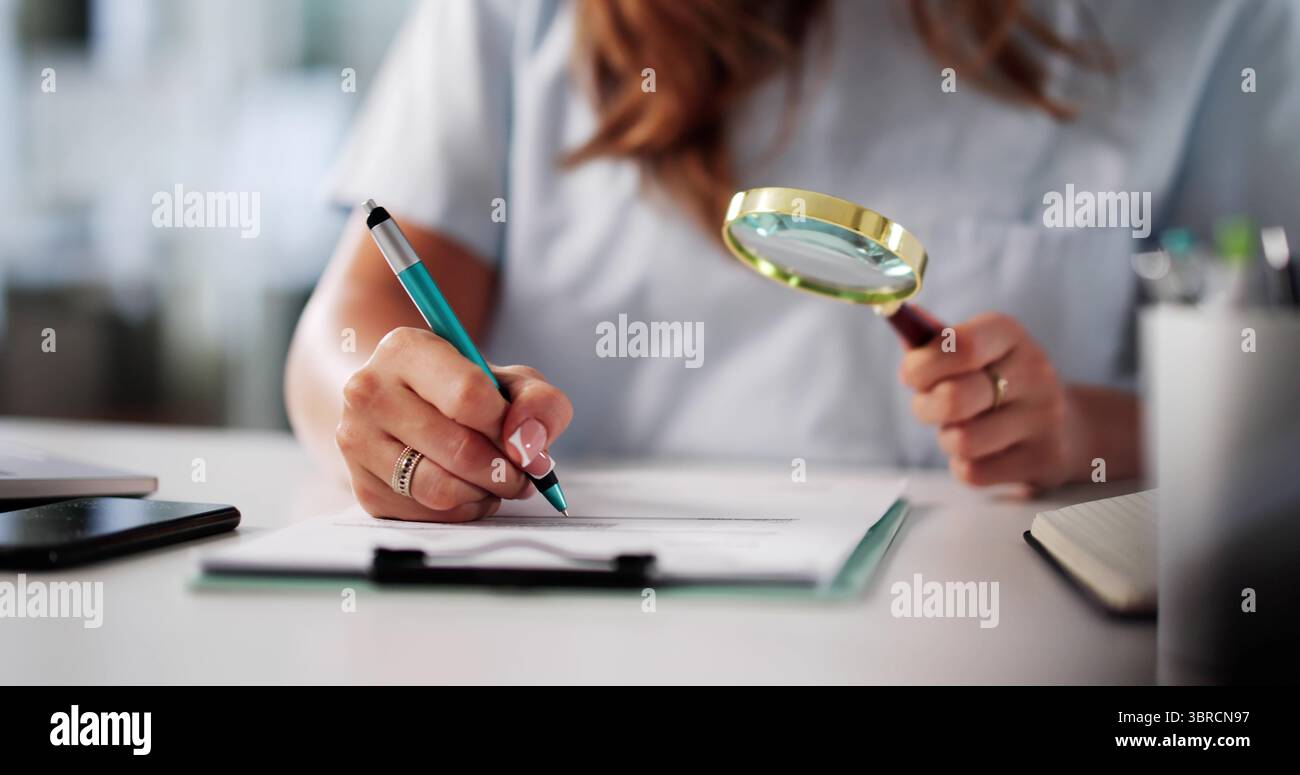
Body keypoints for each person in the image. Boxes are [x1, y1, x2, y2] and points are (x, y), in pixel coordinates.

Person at [286, 0, 1300, 522]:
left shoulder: (1209, 20)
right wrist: (388, 409)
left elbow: (1272, 406)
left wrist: (1082, 428)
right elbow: (346, 326)